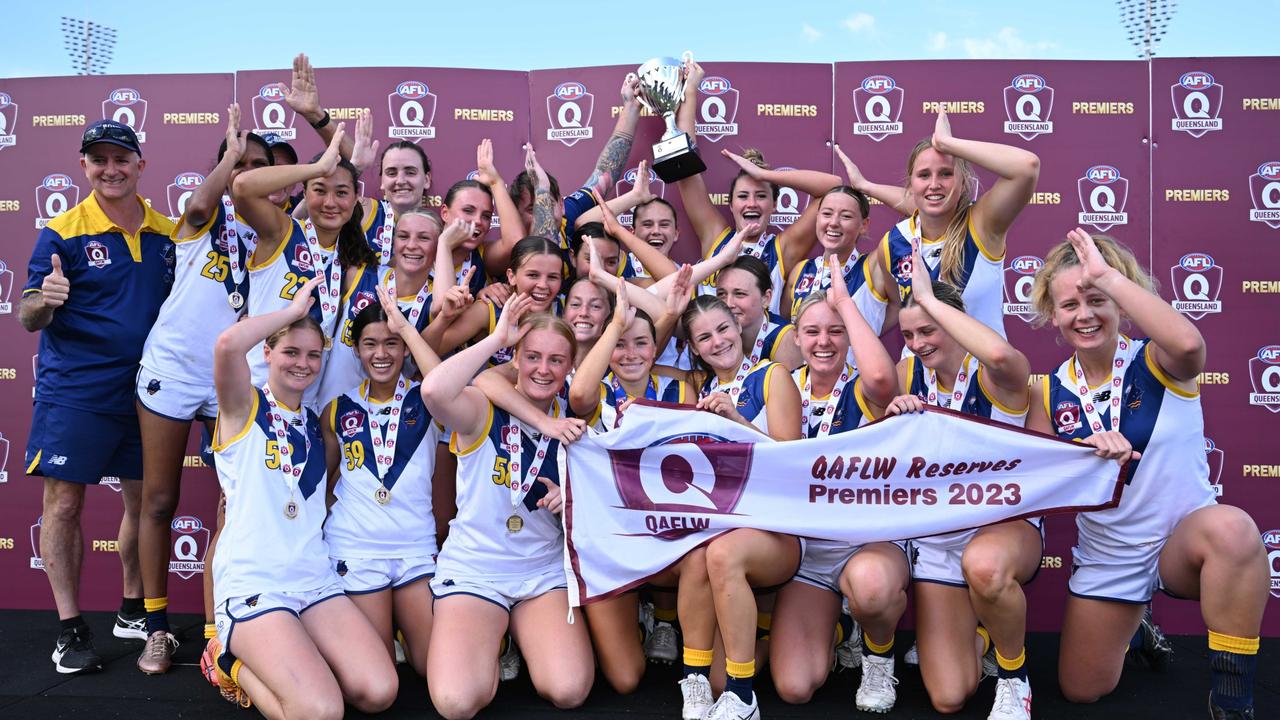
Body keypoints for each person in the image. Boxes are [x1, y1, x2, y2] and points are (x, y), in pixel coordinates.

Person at [1028, 230, 1267, 720]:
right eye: (1070, 304)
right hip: (1111, 556)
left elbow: (1189, 342)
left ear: (1119, 300)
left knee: (1233, 528)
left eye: (1097, 299)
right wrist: (1082, 458)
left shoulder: (1158, 360)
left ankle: (1231, 698)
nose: (1085, 314)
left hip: (1183, 540)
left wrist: (1109, 275)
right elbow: (1040, 483)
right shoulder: (1048, 392)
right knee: (1081, 690)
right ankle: (1135, 627)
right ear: (1053, 315)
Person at [20, 119, 175, 673]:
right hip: (77, 390)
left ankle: (133, 608)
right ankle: (69, 629)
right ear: (84, 166)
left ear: (140, 165)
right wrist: (47, 299)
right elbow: (27, 314)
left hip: (149, 389)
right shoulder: (61, 231)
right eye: (98, 160)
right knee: (63, 504)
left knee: (143, 502)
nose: (111, 169)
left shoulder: (167, 230)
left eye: (121, 159)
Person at [208, 277, 396, 716]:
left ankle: (287, 656)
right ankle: (229, 662)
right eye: (291, 352)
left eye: (314, 355)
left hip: (314, 580)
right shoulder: (244, 406)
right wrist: (293, 313)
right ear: (268, 353)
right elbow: (226, 347)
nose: (304, 364)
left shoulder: (317, 422)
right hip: (256, 585)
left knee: (380, 690)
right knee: (321, 712)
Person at [134, 105, 272, 674]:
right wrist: (231, 163)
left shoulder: (282, 234)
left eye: (263, 168)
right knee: (160, 500)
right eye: (241, 163)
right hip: (175, 366)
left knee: (231, 504)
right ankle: (157, 627)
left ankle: (220, 626)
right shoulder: (200, 217)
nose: (249, 174)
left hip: (232, 379)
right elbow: (197, 203)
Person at [886, 240, 1039, 719]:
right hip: (937, 540)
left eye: (928, 329)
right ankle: (981, 632)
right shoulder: (908, 370)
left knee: (986, 567)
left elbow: (1000, 355)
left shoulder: (995, 373)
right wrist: (897, 418)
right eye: (908, 334)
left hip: (1001, 529)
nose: (917, 343)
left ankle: (1015, 678)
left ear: (955, 322)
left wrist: (931, 298)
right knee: (948, 697)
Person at [421, 295, 594, 718]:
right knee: (456, 703)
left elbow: (602, 502)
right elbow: (433, 390)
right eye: (532, 356)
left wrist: (572, 503)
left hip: (541, 572)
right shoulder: (484, 408)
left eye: (556, 360)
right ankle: (493, 639)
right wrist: (495, 338)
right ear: (514, 358)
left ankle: (516, 636)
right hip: (476, 570)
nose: (543, 369)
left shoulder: (576, 422)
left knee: (568, 690)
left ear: (570, 366)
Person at [765, 256, 900, 712]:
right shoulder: (776, 386)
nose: (824, 341)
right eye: (813, 332)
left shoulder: (864, 388)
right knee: (794, 687)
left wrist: (843, 301)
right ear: (796, 339)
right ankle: (842, 628)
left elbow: (883, 377)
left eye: (836, 331)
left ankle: (878, 656)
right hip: (806, 555)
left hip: (866, 544)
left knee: (871, 587)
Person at [677, 294, 801, 720]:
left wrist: (740, 424)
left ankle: (743, 696)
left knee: (721, 553)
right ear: (694, 348)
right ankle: (696, 681)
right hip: (724, 530)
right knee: (697, 553)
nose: (718, 341)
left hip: (779, 530)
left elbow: (793, 466)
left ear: (739, 325)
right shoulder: (701, 393)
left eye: (723, 328)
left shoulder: (772, 375)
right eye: (704, 337)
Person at [320, 286, 447, 678]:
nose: (381, 354)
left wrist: (408, 329)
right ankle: (383, 633)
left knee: (435, 671)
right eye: (370, 344)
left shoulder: (430, 398)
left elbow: (441, 377)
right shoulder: (337, 408)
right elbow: (325, 485)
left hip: (415, 548)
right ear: (355, 350)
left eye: (392, 343)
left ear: (406, 347)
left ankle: (402, 631)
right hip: (356, 550)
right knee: (377, 677)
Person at [835, 110, 1040, 340]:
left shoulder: (982, 225)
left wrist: (948, 143)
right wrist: (866, 186)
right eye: (924, 175)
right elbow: (899, 304)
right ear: (911, 184)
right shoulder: (893, 243)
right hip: (919, 373)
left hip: (980, 372)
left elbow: (1027, 167)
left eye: (945, 174)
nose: (934, 184)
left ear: (963, 183)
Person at [675, 59, 842, 319]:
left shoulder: (782, 248)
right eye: (743, 196)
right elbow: (686, 170)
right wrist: (690, 92)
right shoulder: (716, 236)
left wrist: (764, 174)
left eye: (761, 196)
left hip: (764, 357)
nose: (751, 203)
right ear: (730, 205)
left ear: (774, 205)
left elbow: (834, 189)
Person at [233, 123, 378, 411]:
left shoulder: (347, 256)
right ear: (305, 192)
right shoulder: (282, 232)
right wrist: (315, 168)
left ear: (354, 199)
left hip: (308, 400)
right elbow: (242, 187)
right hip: (259, 389)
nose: (330, 202)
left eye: (341, 193)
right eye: (319, 190)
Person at [784, 185, 888, 344]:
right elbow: (787, 331)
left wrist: (865, 185)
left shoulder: (873, 268)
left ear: (864, 225)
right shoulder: (800, 271)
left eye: (846, 216)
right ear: (817, 217)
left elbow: (922, 214)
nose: (833, 222)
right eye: (827, 214)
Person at [717, 255, 804, 372]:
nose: (728, 303)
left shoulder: (784, 338)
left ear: (766, 299)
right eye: (721, 294)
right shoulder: (714, 334)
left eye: (740, 294)